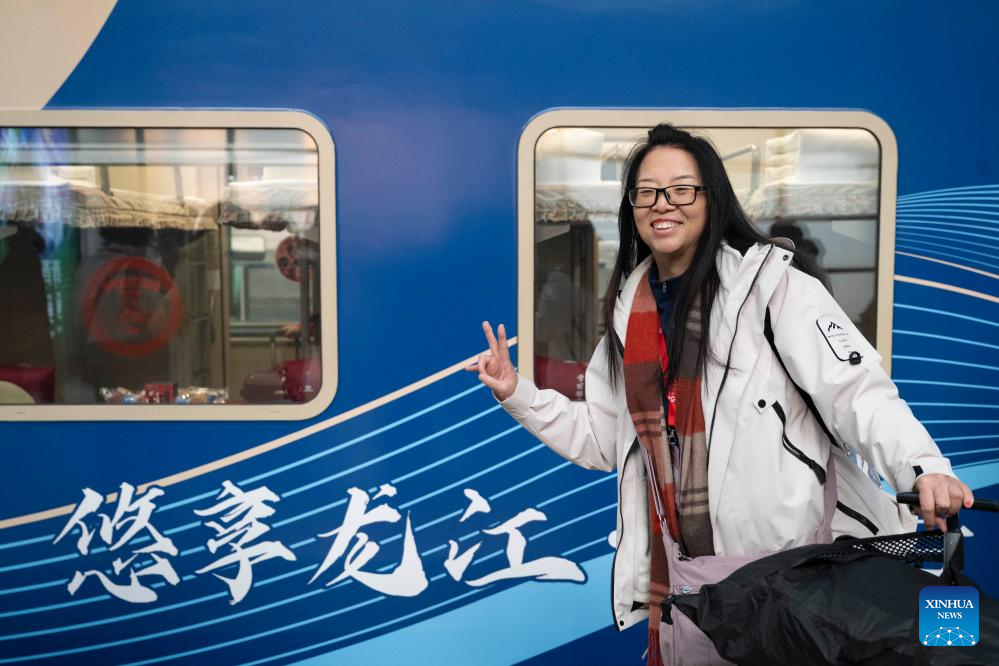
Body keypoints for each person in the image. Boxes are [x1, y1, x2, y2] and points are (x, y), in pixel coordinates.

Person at [467, 124, 972, 665]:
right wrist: (518, 393)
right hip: (687, 588)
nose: (664, 204)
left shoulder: (776, 289)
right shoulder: (627, 315)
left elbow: (857, 393)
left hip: (790, 581)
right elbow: (603, 440)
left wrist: (922, 467)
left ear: (712, 198)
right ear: (632, 207)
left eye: (682, 189)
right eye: (647, 191)